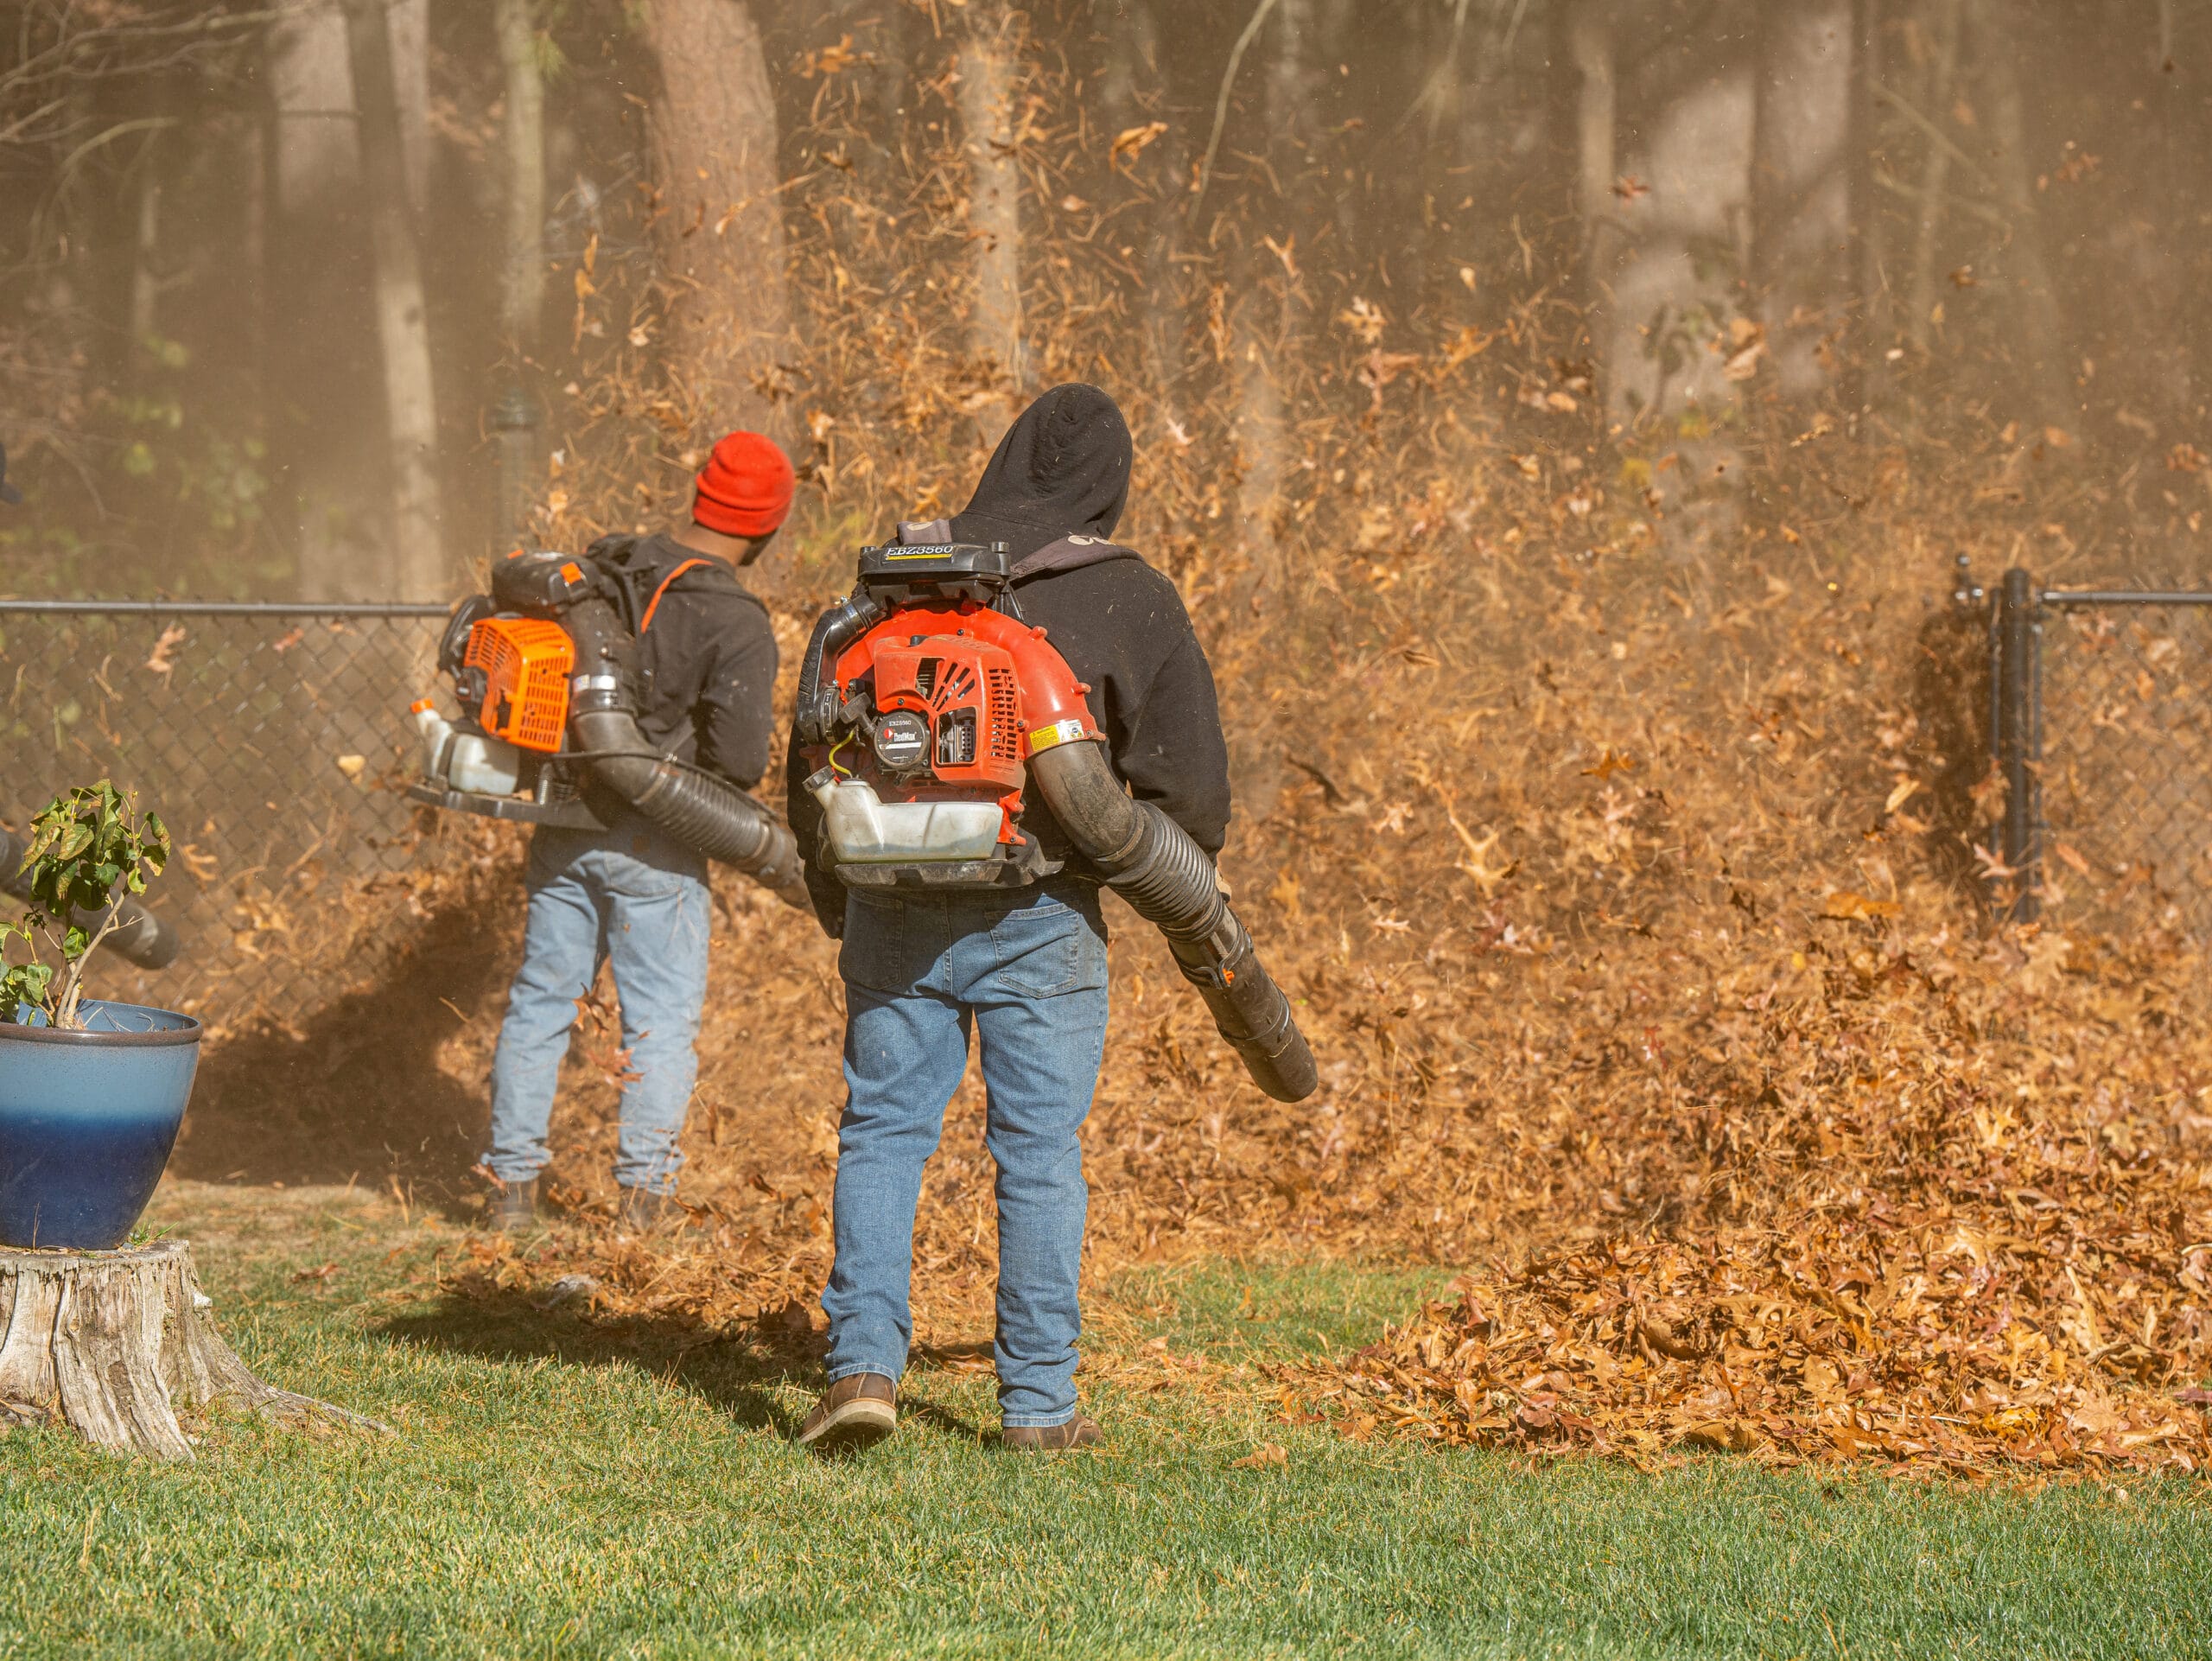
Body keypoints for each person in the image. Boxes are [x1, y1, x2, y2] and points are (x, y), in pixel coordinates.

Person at [787, 384, 1231, 1451]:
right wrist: (1162, 873)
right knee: (1037, 1153)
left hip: (892, 909)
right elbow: (1192, 795)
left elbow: (808, 759)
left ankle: (861, 1367)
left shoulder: (898, 587)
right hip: (1045, 915)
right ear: (1108, 484)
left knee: (883, 1133)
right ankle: (1037, 1405)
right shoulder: (1130, 597)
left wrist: (837, 897)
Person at [482, 431, 795, 1231]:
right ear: (767, 526)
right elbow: (741, 760)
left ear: (699, 495)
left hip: (564, 822)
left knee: (541, 1002)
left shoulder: (607, 569)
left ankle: (509, 1189)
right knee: (658, 1025)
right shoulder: (734, 617)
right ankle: (643, 1205)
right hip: (659, 843)